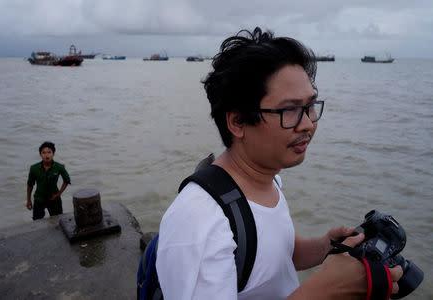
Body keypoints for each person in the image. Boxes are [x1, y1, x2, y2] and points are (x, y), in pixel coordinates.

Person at [155, 27, 402, 299]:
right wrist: (331, 289)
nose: (308, 124)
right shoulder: (199, 221)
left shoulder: (268, 178)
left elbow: (276, 257)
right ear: (237, 121)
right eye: (290, 110)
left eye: (310, 106)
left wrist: (325, 247)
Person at [26, 141, 71, 220]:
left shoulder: (59, 167)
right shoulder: (34, 168)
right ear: (40, 154)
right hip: (39, 199)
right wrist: (29, 200)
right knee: (37, 222)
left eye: (49, 152)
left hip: (54, 199)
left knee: (58, 222)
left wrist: (58, 194)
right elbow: (30, 185)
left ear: (53, 153)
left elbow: (67, 180)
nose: (47, 155)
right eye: (44, 153)